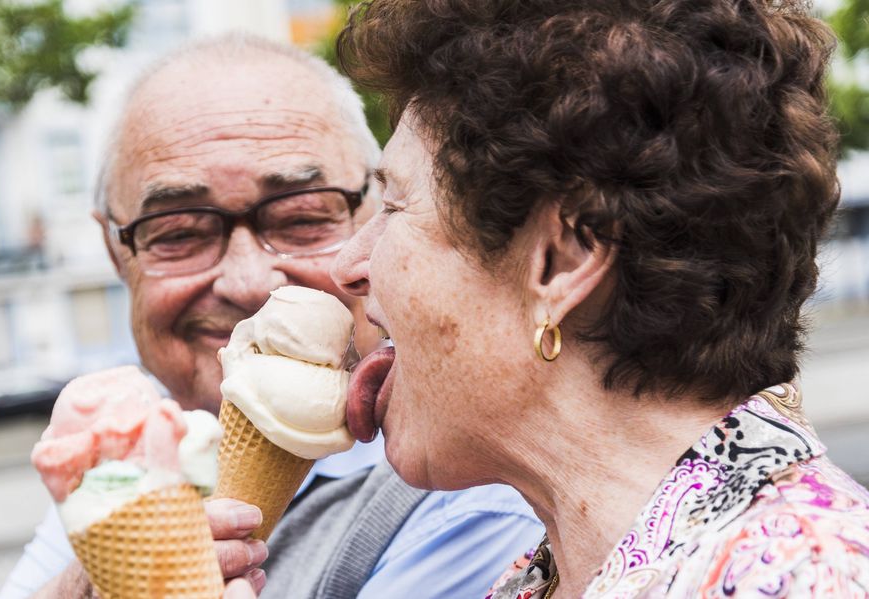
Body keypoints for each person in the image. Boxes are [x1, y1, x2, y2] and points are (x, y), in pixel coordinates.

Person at [332, 0, 869, 596]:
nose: (347, 266)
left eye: (397, 206)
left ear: (563, 261)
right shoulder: (547, 577)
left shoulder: (802, 576)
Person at [0, 34, 543, 599]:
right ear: (118, 254)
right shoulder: (127, 457)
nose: (248, 281)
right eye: (179, 232)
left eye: (302, 218)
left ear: (379, 219)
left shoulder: (469, 491)